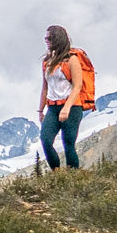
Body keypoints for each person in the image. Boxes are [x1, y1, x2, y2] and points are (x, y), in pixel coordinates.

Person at [39, 25, 95, 170]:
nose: (46, 40)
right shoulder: (47, 61)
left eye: (49, 38)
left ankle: (73, 177)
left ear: (57, 38)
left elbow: (77, 86)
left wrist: (67, 108)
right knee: (46, 140)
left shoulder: (72, 59)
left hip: (72, 107)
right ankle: (56, 173)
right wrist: (40, 110)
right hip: (52, 107)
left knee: (68, 143)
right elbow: (45, 86)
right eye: (45, 38)